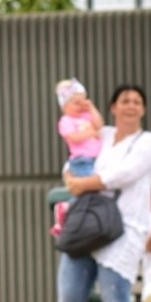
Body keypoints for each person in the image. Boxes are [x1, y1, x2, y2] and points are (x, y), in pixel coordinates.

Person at [56, 84, 151, 302]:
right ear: (113, 107)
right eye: (124, 100)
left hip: (123, 228)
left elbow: (124, 174)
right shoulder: (100, 135)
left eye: (137, 102)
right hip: (86, 224)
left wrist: (84, 184)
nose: (131, 105)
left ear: (142, 110)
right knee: (68, 298)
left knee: (116, 300)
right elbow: (73, 160)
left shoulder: (147, 141)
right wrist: (70, 179)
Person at [52, 80, 104, 237]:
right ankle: (66, 210)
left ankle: (78, 212)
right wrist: (90, 133)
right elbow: (73, 138)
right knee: (87, 188)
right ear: (65, 106)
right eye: (76, 103)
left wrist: (92, 108)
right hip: (81, 160)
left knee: (94, 191)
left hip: (97, 159)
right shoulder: (66, 121)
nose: (81, 106)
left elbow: (100, 125)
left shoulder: (87, 116)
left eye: (84, 101)